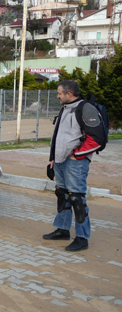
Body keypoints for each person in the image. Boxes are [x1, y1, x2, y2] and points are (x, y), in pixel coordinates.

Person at [44, 80, 104, 252]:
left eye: (59, 93)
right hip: (60, 161)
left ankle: (82, 238)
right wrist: (52, 158)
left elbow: (98, 139)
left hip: (75, 163)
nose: (58, 96)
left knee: (77, 199)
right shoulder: (65, 108)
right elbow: (58, 136)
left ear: (69, 94)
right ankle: (63, 230)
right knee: (62, 195)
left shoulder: (86, 109)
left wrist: (76, 155)